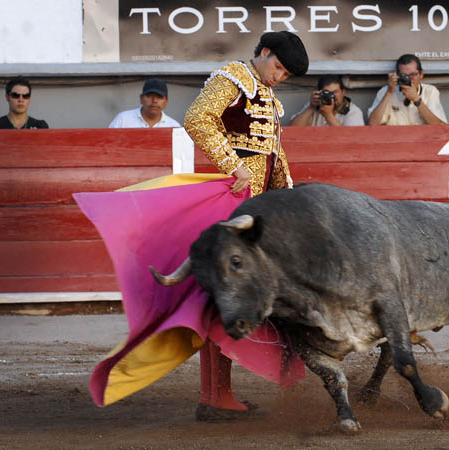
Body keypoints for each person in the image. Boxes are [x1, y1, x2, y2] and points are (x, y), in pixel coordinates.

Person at [184, 31, 309, 420]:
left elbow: (273, 154)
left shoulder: (267, 96)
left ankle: (217, 395)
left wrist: (286, 196)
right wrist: (233, 166)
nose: (279, 77)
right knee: (224, 298)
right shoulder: (233, 77)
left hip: (255, 210)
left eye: (287, 75)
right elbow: (196, 119)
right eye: (278, 67)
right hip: (232, 206)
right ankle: (215, 395)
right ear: (264, 52)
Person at [368, 54, 447, 126]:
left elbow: (440, 126)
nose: (409, 79)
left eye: (412, 74)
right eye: (404, 75)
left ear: (421, 74)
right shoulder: (386, 91)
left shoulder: (430, 91)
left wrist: (417, 100)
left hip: (423, 139)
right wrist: (389, 93)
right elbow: (373, 124)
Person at [289, 75, 364, 126]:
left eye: (335, 92)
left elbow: (351, 139)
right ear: (319, 93)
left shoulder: (353, 111)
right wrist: (311, 108)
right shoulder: (315, 105)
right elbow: (293, 128)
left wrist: (328, 115)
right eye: (327, 93)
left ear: (343, 92)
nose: (331, 96)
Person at [109, 78, 181, 128]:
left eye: (159, 97)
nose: (154, 100)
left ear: (166, 101)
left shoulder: (174, 126)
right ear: (141, 99)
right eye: (150, 96)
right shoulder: (123, 120)